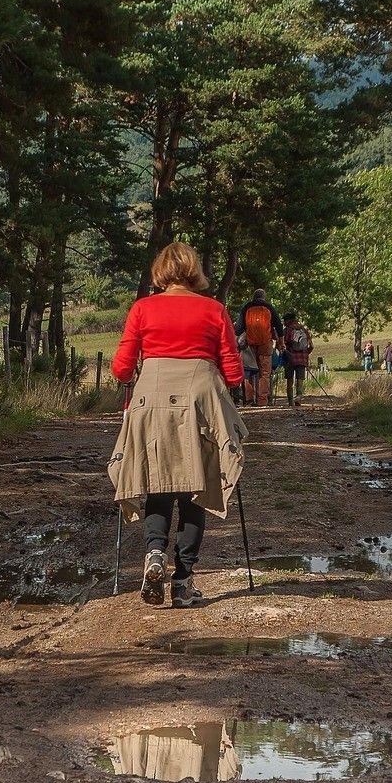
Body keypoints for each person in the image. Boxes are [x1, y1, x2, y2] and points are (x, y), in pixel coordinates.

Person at [109, 242, 247, 608]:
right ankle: (183, 582)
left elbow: (122, 368)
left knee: (156, 481)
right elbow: (233, 373)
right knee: (194, 489)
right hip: (199, 400)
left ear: (160, 273)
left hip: (151, 400)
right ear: (195, 271)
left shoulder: (142, 309)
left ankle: (155, 554)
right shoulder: (214, 310)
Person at [234, 288, 284, 406]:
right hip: (265, 343)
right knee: (265, 372)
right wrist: (281, 343)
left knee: (249, 371)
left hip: (249, 345)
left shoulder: (247, 307)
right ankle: (262, 400)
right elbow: (279, 326)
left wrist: (236, 344)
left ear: (254, 297)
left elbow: (238, 328)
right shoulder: (269, 307)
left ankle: (249, 399)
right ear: (264, 297)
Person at [281, 311, 314, 406]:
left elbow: (283, 344)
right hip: (302, 359)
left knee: (289, 379)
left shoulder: (287, 330)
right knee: (300, 379)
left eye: (284, 321)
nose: (283, 323)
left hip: (290, 358)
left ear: (288, 321)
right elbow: (311, 345)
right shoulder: (304, 330)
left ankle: (290, 401)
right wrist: (306, 354)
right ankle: (299, 397)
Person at [238, 332, 259, 405]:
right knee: (253, 381)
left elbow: (240, 346)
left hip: (245, 361)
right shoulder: (256, 333)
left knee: (246, 381)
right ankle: (254, 399)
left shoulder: (243, 334)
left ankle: (248, 399)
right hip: (254, 361)